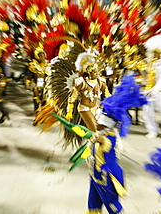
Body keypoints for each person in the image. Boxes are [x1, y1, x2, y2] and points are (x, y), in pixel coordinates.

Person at [54, 74, 147, 214]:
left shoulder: (108, 137)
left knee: (113, 206)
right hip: (95, 175)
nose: (95, 123)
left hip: (107, 177)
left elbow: (105, 144)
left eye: (99, 123)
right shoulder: (100, 133)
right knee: (93, 205)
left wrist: (95, 138)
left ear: (106, 125)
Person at [66, 52, 111, 132]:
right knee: (94, 129)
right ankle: (92, 143)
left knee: (104, 127)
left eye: (97, 72)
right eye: (94, 72)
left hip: (96, 108)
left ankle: (92, 142)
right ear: (89, 73)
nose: (97, 74)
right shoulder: (82, 82)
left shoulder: (101, 82)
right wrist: (69, 111)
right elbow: (73, 97)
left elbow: (108, 95)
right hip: (84, 108)